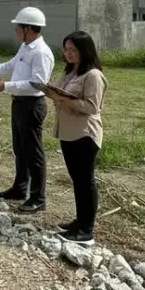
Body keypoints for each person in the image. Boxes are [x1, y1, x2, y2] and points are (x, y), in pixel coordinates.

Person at [0, 7, 55, 213]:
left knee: (33, 153)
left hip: (32, 105)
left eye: (18, 27)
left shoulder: (41, 52)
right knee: (20, 150)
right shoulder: (25, 48)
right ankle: (20, 189)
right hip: (19, 103)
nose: (16, 31)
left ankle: (38, 198)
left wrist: (5, 86)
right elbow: (10, 65)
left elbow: (37, 84)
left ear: (27, 29)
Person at [46, 31, 107, 245]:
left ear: (84, 50)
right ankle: (79, 222)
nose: (68, 54)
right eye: (66, 50)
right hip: (68, 133)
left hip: (84, 134)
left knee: (85, 181)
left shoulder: (93, 76)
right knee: (77, 180)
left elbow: (92, 107)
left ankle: (87, 230)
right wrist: (51, 92)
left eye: (73, 50)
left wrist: (63, 99)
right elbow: (59, 92)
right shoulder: (70, 71)